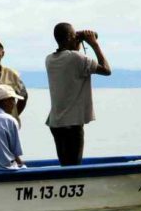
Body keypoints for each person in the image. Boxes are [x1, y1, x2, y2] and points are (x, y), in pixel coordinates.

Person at [45, 22, 111, 166]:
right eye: (74, 35)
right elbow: (106, 70)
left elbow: (69, 59)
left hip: (56, 122)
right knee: (74, 166)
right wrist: (94, 44)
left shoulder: (49, 59)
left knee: (65, 165)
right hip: (72, 123)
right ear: (69, 37)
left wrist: (76, 42)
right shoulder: (76, 58)